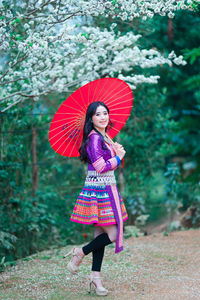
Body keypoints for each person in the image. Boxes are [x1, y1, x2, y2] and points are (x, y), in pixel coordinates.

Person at [64, 101, 128, 296]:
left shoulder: (105, 137)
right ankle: (80, 252)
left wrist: (116, 153)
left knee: (100, 236)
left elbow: (109, 166)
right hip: (99, 192)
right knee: (113, 234)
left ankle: (95, 277)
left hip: (106, 188)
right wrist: (118, 157)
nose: (103, 117)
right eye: (98, 114)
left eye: (105, 113)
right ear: (91, 119)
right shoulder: (93, 138)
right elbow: (101, 167)